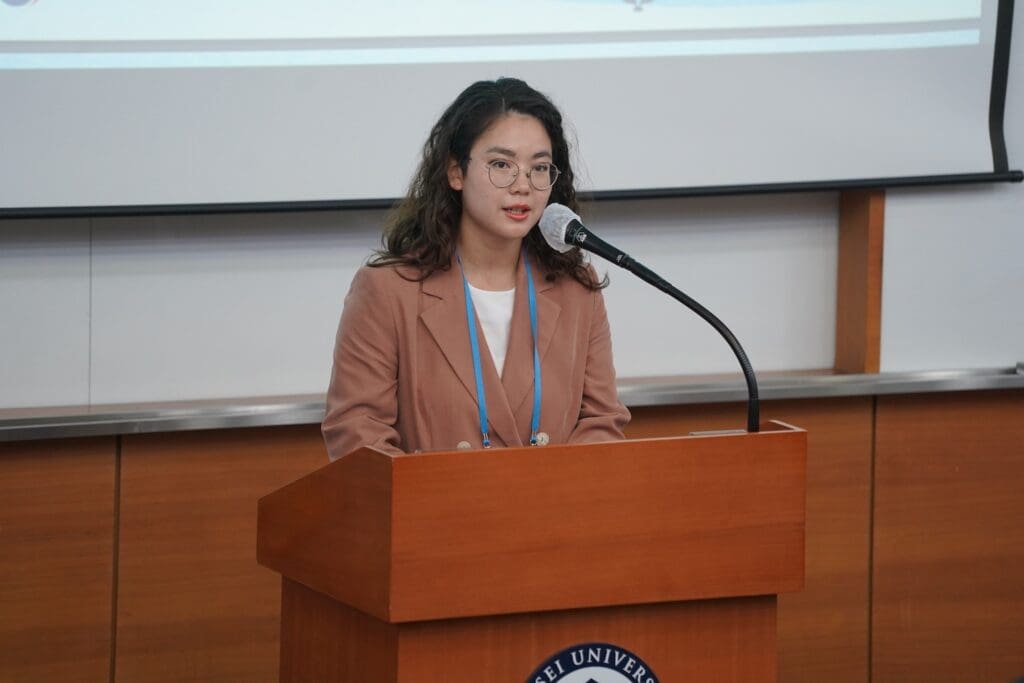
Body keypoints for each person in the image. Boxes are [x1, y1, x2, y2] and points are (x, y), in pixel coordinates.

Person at [322, 77, 629, 460]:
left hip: (551, 514)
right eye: (501, 164)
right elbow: (358, 436)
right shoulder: (387, 291)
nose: (522, 185)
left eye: (539, 168)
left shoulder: (577, 290)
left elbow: (600, 422)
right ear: (455, 172)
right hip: (432, 515)